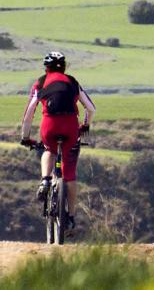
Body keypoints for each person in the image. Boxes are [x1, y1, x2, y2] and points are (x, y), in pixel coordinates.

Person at [20, 51, 96, 234]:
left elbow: (29, 113)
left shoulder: (39, 82)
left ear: (46, 67)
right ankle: (70, 217)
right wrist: (85, 125)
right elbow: (91, 108)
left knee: (49, 149)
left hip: (50, 126)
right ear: (64, 66)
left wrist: (25, 136)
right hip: (70, 127)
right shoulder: (72, 82)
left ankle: (46, 180)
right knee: (69, 175)